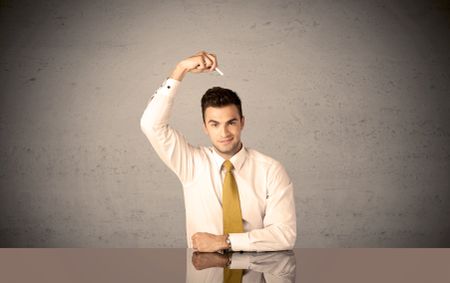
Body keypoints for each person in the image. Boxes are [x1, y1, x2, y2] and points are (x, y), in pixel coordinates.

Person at [140, 51, 296, 252]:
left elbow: (285, 235)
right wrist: (181, 69)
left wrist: (225, 241)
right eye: (214, 124)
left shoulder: (271, 170)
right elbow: (151, 124)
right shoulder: (191, 164)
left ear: (242, 123)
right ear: (205, 127)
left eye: (231, 122)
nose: (224, 133)